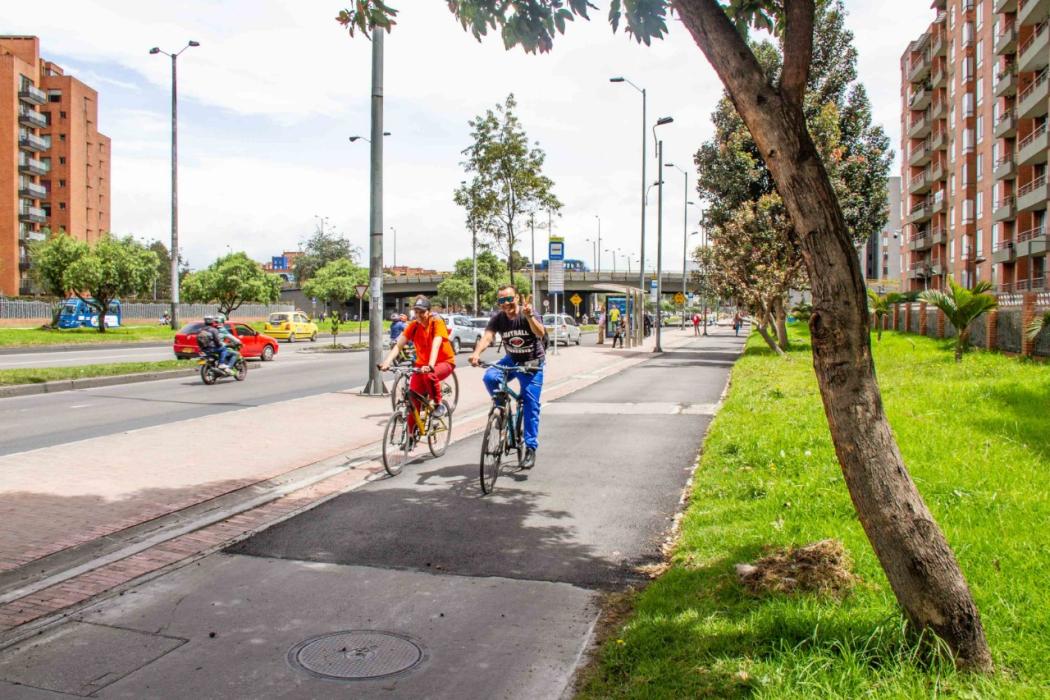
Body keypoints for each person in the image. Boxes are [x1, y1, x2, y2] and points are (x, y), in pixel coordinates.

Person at [469, 285, 546, 469]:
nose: (506, 304)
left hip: (531, 363)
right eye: (502, 301)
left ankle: (530, 448)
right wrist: (477, 353)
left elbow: (540, 333)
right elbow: (487, 337)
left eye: (509, 299)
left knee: (530, 404)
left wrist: (528, 316)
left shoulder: (528, 312)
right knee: (490, 377)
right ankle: (501, 409)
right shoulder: (498, 319)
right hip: (511, 360)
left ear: (517, 298)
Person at [379, 296, 455, 418]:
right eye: (416, 312)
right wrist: (387, 362)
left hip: (443, 362)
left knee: (430, 376)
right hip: (421, 364)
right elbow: (399, 345)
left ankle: (438, 404)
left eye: (422, 312)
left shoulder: (436, 322)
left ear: (428, 312)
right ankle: (411, 436)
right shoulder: (414, 325)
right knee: (413, 401)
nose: (419, 315)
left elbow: (436, 343)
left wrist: (430, 365)